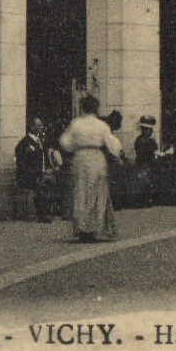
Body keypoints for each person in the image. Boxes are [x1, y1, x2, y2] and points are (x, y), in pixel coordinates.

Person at [61, 94, 122, 241]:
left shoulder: (76, 124)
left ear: (82, 108)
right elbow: (112, 143)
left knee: (81, 192)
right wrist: (117, 153)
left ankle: (83, 229)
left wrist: (76, 147)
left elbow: (65, 142)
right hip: (96, 157)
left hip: (81, 157)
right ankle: (95, 228)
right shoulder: (101, 125)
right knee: (97, 192)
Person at [15, 117, 60, 222]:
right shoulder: (24, 143)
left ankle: (51, 211)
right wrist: (35, 174)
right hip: (28, 175)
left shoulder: (41, 141)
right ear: (31, 127)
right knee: (40, 184)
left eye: (41, 125)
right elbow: (22, 163)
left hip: (40, 173)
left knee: (53, 180)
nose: (41, 128)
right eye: (38, 126)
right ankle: (41, 214)